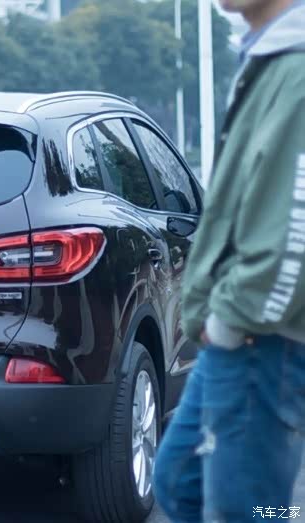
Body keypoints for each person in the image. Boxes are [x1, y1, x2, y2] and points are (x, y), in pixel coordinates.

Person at [153, 1, 305, 521]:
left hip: (263, 341)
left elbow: (296, 225)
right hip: (243, 339)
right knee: (181, 483)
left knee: (248, 511)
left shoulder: (296, 68)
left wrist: (233, 319)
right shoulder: (270, 56)